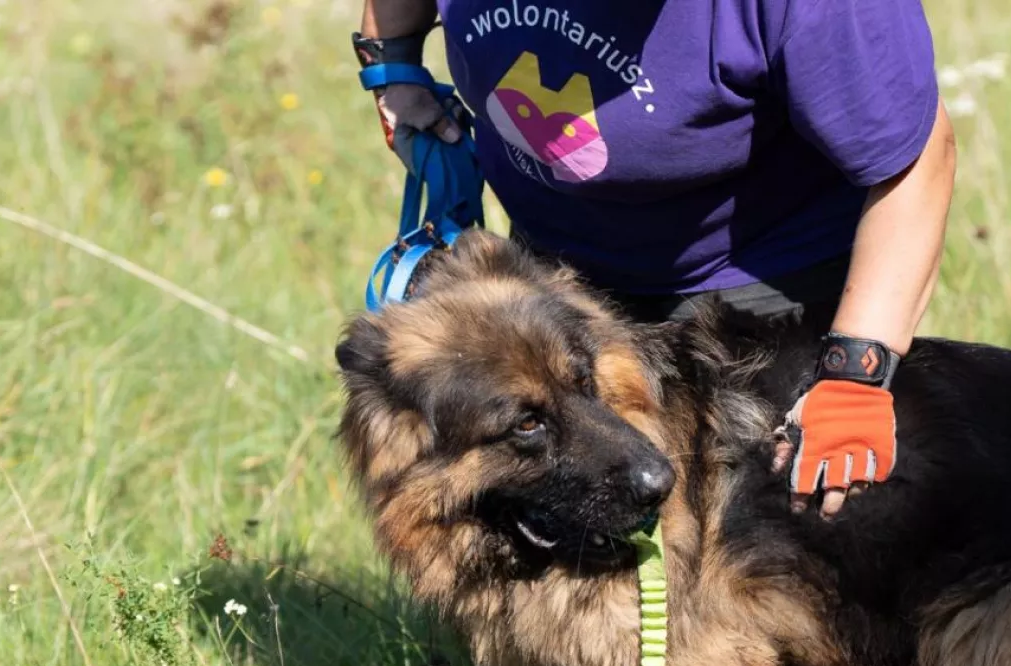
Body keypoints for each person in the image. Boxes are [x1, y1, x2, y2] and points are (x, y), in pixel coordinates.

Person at [355, 0, 956, 518]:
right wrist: (393, 63)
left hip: (761, 295)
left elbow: (913, 165)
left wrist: (853, 377)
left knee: (771, 539)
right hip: (560, 274)